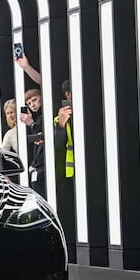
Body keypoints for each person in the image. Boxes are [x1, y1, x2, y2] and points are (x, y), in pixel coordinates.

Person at [54, 80, 77, 263]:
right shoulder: (59, 118)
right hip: (71, 172)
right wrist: (61, 124)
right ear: (68, 95)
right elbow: (58, 144)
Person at [19, 88, 45, 197]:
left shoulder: (44, 116)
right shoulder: (37, 118)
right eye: (29, 103)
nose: (32, 105)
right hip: (37, 166)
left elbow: (42, 136)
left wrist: (31, 123)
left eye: (34, 100)